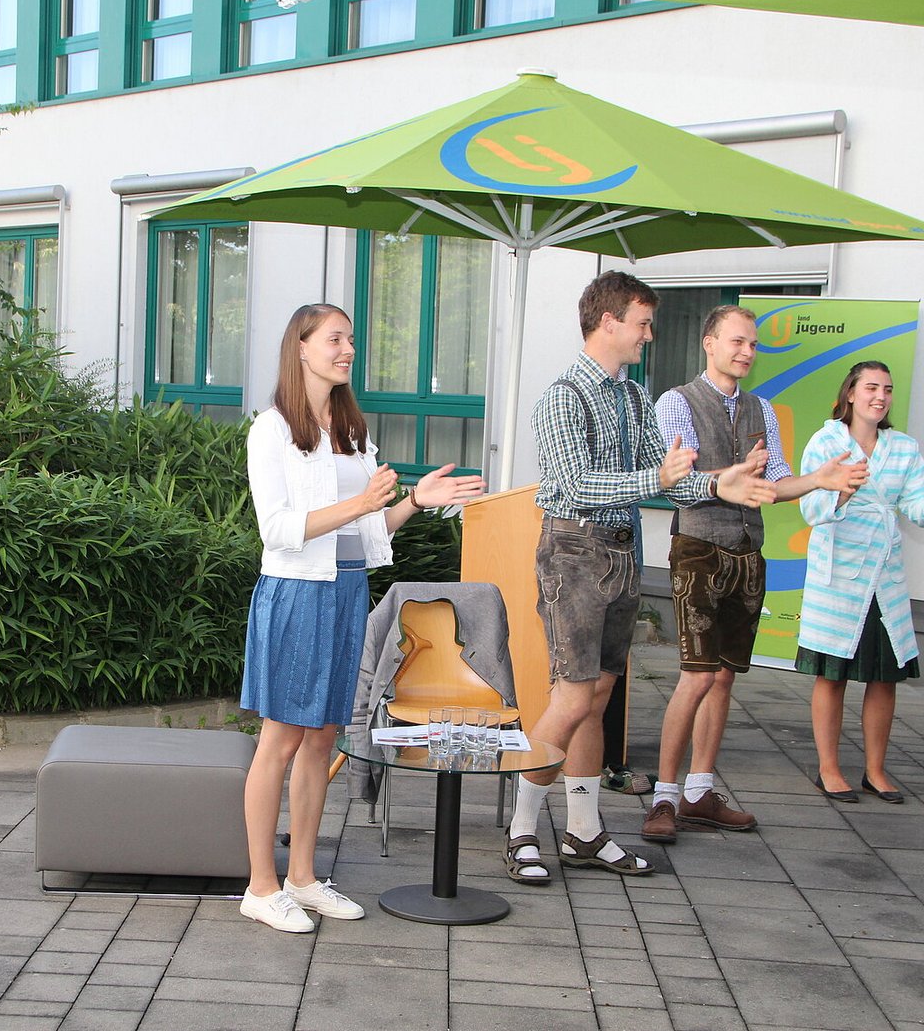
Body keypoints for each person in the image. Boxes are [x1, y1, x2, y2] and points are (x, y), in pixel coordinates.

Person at [505, 273, 774, 885]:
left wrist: (721, 483)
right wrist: (658, 480)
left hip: (623, 553)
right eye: (643, 324)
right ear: (609, 322)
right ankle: (521, 829)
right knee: (572, 697)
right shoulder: (562, 396)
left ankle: (583, 832)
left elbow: (668, 473)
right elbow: (573, 485)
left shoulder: (632, 395)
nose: (650, 336)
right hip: (574, 552)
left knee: (599, 696)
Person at [240, 302, 486, 932]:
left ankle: (302, 877)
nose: (347, 349)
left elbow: (370, 531)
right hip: (297, 593)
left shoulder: (350, 430)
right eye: (335, 339)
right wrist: (360, 503)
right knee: (281, 739)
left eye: (351, 339)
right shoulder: (272, 429)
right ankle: (261, 887)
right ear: (300, 347)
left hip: (347, 591)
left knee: (324, 738)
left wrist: (415, 500)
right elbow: (279, 529)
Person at [641, 306, 870, 845]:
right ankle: (664, 797)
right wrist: (730, 478)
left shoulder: (761, 408)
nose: (747, 351)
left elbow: (778, 482)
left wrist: (818, 479)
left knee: (723, 676)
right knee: (697, 676)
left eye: (753, 344)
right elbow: (675, 481)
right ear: (709, 343)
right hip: (698, 548)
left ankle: (700, 791)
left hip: (748, 552)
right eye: (737, 341)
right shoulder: (675, 402)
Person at [792, 360, 924, 804]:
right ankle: (829, 769)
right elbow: (810, 508)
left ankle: (875, 770)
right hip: (839, 575)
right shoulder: (826, 442)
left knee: (884, 676)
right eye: (871, 387)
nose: (880, 396)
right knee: (831, 674)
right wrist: (842, 491)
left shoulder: (903, 448)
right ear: (850, 393)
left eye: (887, 389)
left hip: (883, 577)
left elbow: (917, 503)